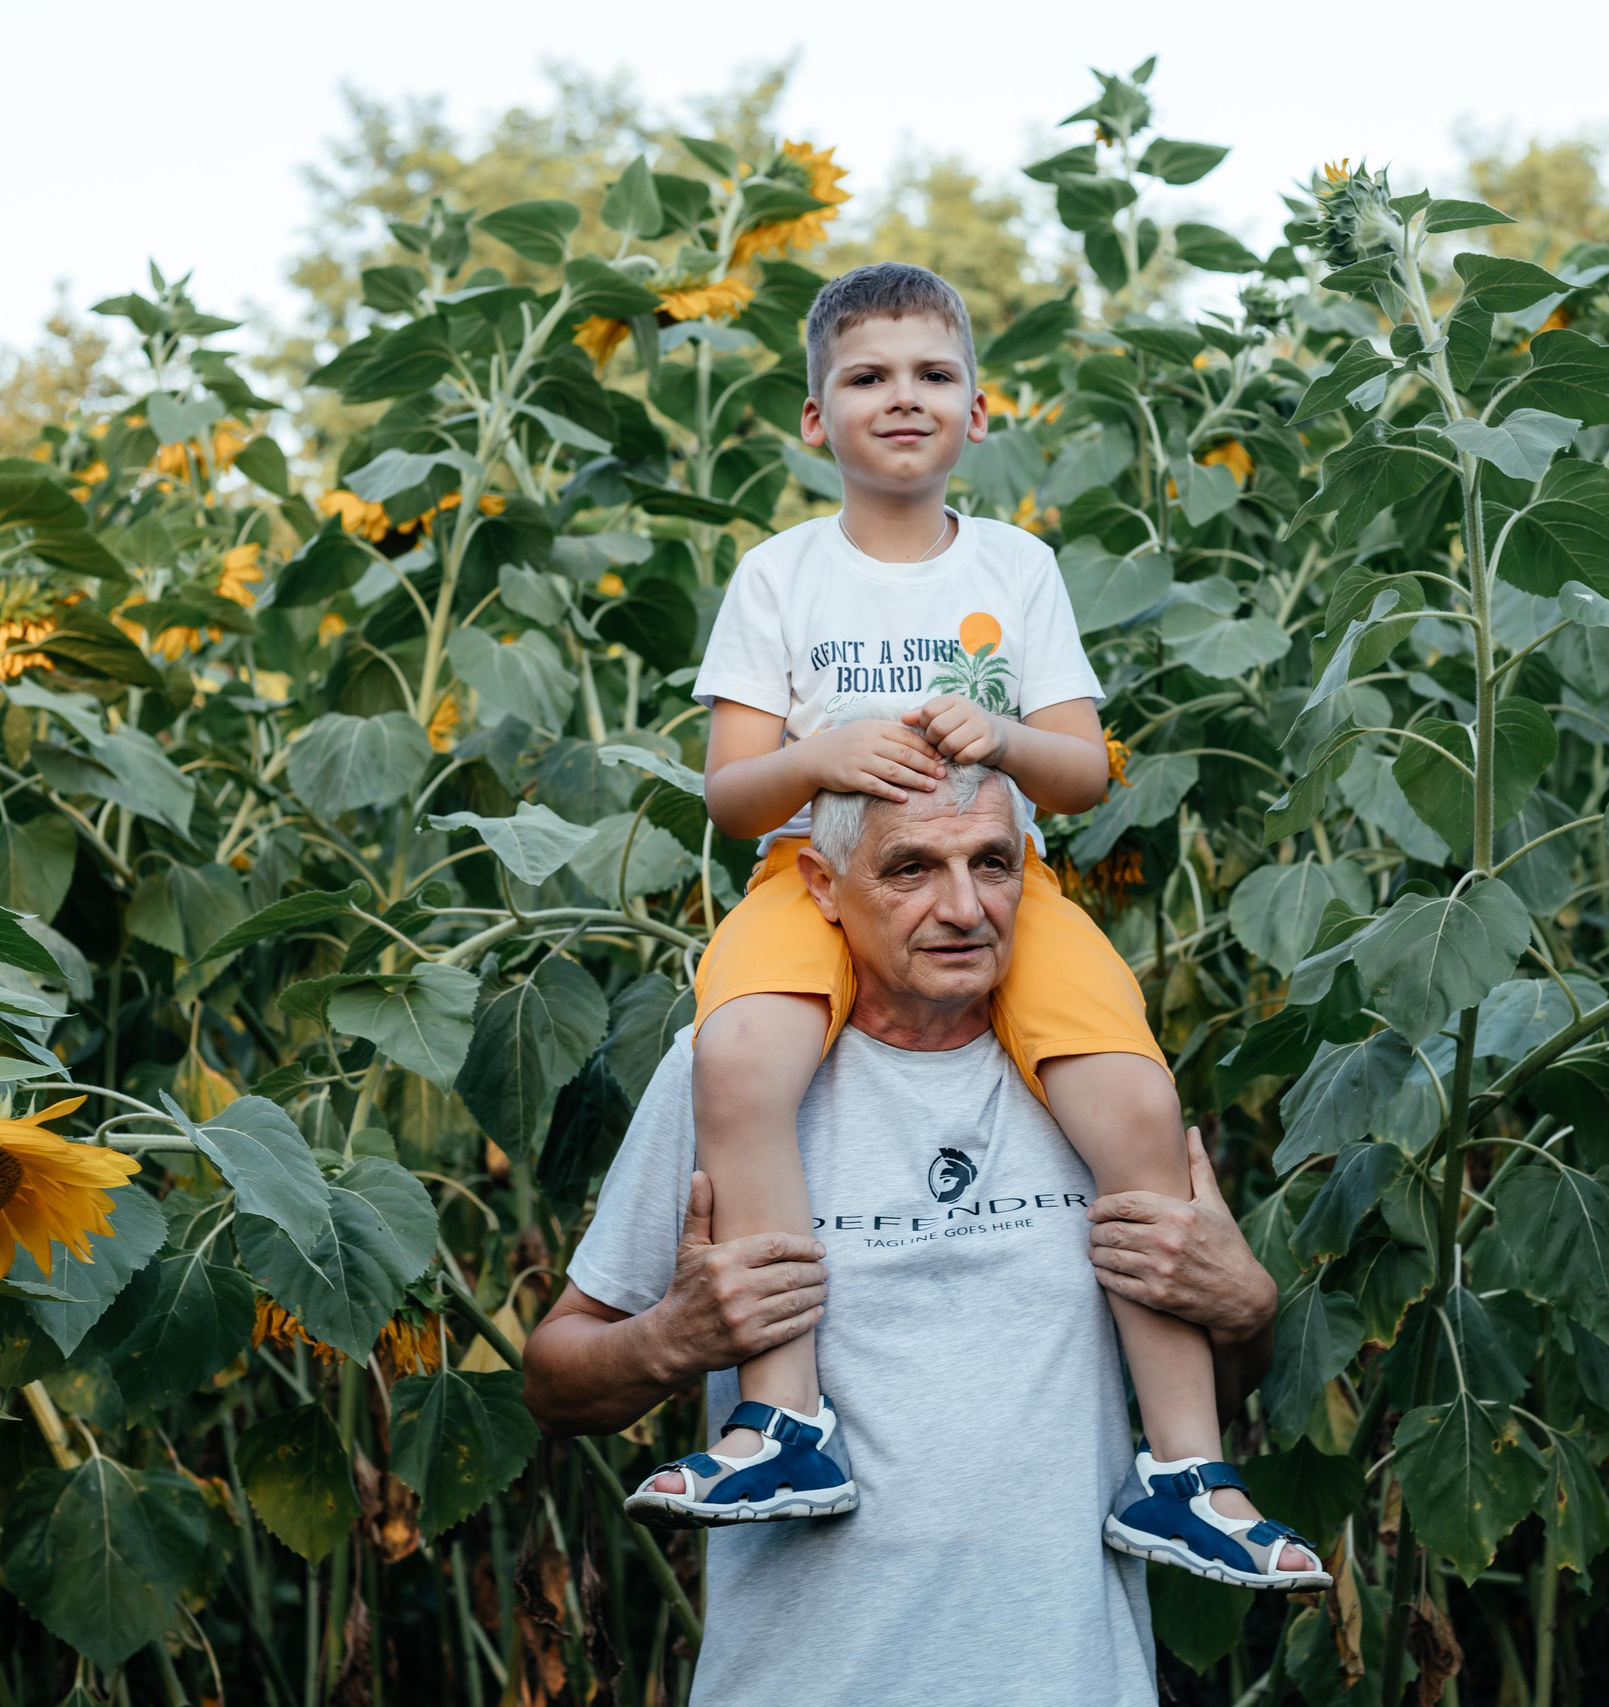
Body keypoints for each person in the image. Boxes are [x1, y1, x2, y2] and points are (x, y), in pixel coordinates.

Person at [648, 260, 1300, 1584]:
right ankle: (783, 1417)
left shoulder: (1019, 565)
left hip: (1005, 884)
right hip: (816, 878)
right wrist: (824, 755)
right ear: (814, 418)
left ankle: (1184, 1465)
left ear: (980, 412)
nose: (904, 397)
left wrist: (998, 730)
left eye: (933, 374)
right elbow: (730, 792)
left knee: (1131, 1099)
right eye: (868, 376)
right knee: (739, 1061)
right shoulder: (779, 576)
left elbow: (1079, 771)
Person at [524, 769, 1321, 1705]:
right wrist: (670, 1340)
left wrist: (1248, 1310)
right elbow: (554, 1378)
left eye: (992, 862)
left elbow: (1204, 1390)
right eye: (911, 868)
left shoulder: (1103, 1088)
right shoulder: (726, 1074)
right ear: (823, 885)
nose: (963, 907)